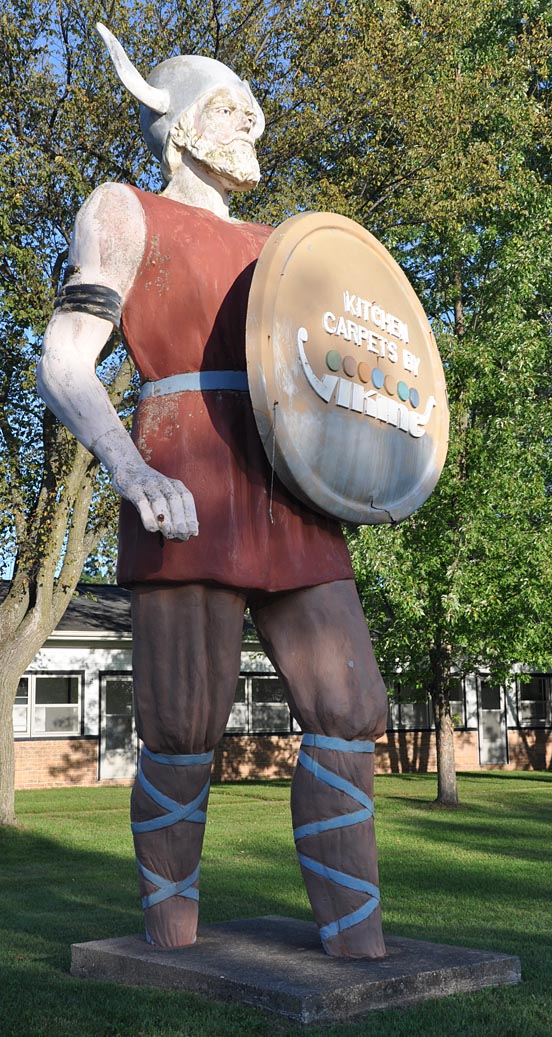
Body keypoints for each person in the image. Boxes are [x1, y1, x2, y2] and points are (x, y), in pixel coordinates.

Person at [37, 25, 388, 959]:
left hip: (294, 487)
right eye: (234, 112)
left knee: (352, 705)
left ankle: (357, 941)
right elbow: (63, 362)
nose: (252, 131)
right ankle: (171, 940)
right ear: (181, 124)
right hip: (183, 471)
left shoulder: (287, 246)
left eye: (255, 117)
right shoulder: (125, 211)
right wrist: (133, 469)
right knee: (183, 721)